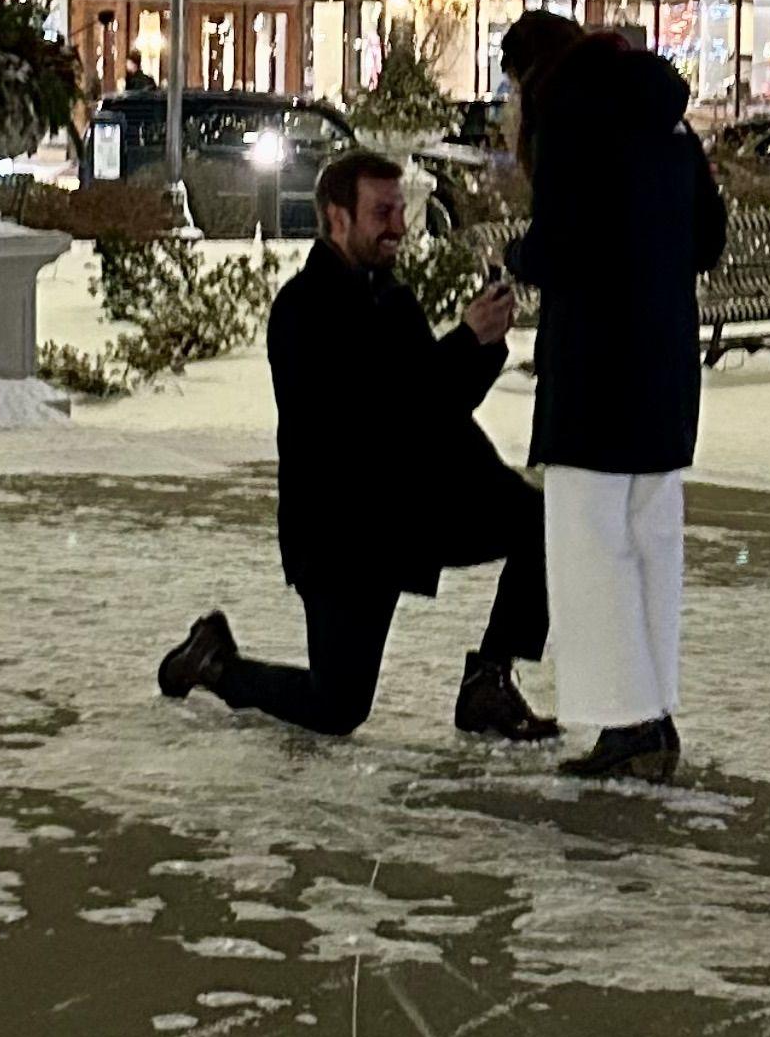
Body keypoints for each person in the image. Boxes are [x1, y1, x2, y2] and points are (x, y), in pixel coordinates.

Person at [156, 148, 558, 744]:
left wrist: (482, 345)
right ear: (337, 217)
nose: (398, 226)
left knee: (540, 522)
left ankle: (488, 683)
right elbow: (379, 418)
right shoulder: (305, 310)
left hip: (408, 509)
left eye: (400, 210)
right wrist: (464, 343)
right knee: (338, 706)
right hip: (343, 532)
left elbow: (434, 408)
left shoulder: (389, 297)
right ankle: (214, 664)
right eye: (381, 212)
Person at [496, 7, 729, 780]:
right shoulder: (669, 123)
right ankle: (652, 712)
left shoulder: (571, 121)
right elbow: (708, 239)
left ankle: (627, 720)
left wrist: (520, 255)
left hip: (595, 370)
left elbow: (561, 246)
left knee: (589, 548)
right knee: (651, 541)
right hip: (664, 366)